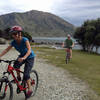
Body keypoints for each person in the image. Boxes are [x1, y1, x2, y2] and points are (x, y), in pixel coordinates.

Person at [0, 25, 35, 98]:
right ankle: (18, 77)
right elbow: (6, 50)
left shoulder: (25, 40)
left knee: (26, 75)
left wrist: (24, 57)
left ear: (20, 33)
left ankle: (30, 90)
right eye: (13, 34)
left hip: (30, 57)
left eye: (15, 33)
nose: (14, 35)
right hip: (22, 56)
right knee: (15, 65)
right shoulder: (13, 42)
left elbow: (29, 50)